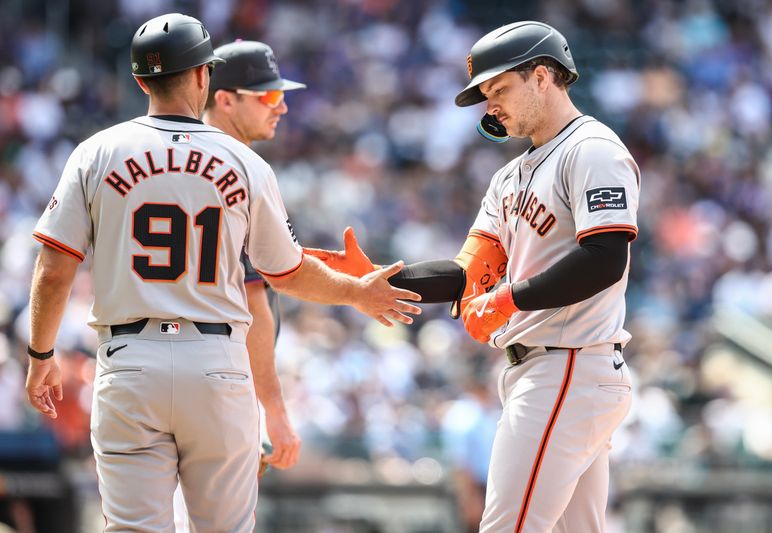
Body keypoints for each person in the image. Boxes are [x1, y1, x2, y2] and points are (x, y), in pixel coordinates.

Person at [23, 13, 420, 532]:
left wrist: (40, 355)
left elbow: (55, 270)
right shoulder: (246, 163)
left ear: (141, 80)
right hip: (216, 363)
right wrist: (356, 292)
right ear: (204, 76)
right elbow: (285, 274)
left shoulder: (96, 152)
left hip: (129, 361)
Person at [309, 20, 639, 532]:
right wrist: (379, 279)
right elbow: (468, 274)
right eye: (486, 94)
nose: (491, 106)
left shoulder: (591, 149)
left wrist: (508, 301)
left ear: (543, 76)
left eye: (499, 88)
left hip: (568, 365)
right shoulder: (509, 176)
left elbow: (605, 257)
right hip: (555, 371)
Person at [204, 39, 308, 474]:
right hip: (217, 379)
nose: (280, 107)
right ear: (224, 99)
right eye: (269, 96)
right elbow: (254, 301)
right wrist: (272, 410)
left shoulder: (171, 160)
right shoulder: (238, 171)